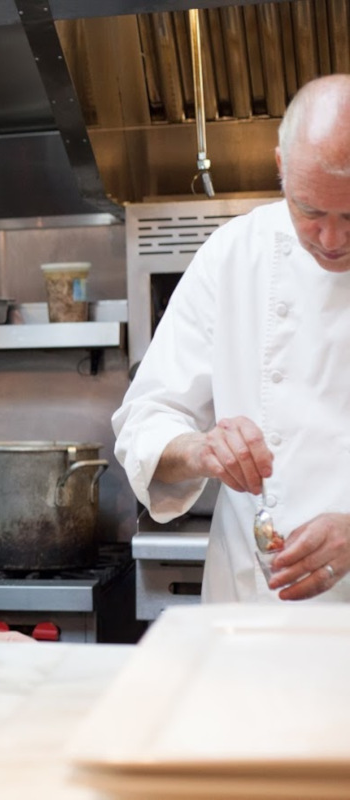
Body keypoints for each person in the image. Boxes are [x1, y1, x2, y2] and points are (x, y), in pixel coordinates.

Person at [112, 74, 350, 604]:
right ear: (281, 168)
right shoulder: (236, 254)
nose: (331, 241)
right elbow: (146, 422)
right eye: (309, 211)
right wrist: (202, 450)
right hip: (255, 608)